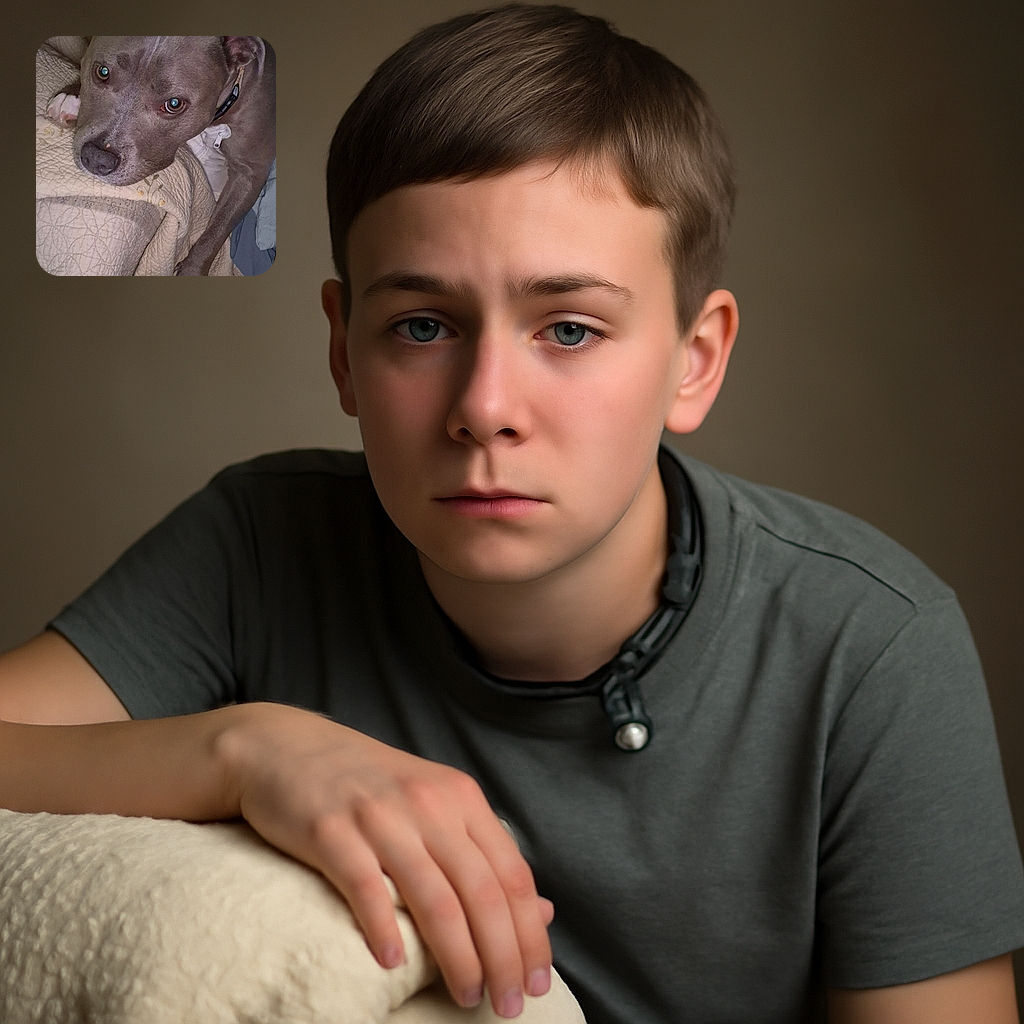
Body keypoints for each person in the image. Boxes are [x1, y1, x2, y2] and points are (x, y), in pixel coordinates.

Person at [2, 5, 1023, 1022]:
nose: (485, 406)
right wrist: (243, 751)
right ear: (342, 351)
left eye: (569, 329)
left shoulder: (871, 647)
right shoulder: (260, 546)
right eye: (422, 324)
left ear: (693, 359)